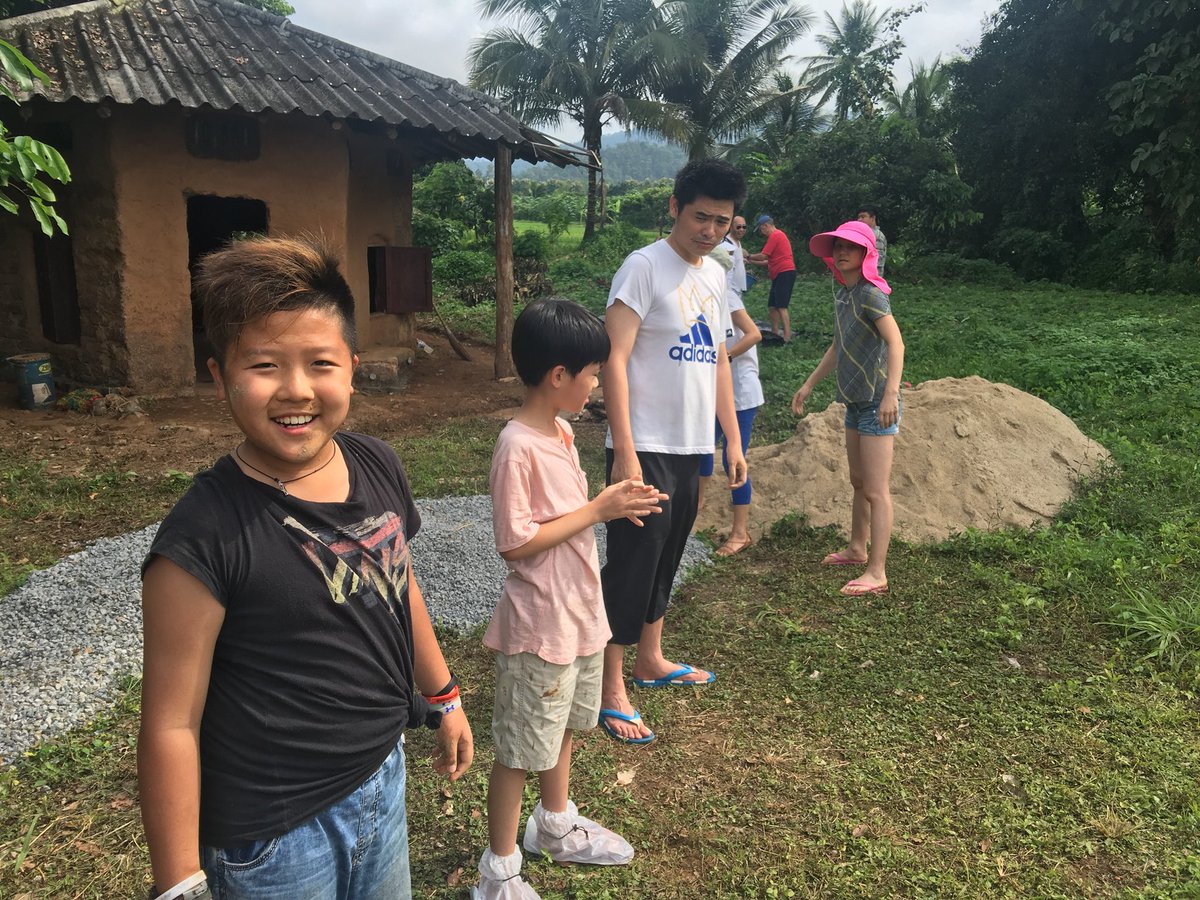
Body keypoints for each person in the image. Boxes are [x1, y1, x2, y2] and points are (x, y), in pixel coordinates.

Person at [138, 236, 473, 900]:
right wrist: (179, 883)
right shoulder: (204, 536)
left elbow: (397, 586)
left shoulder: (377, 464)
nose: (296, 390)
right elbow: (170, 724)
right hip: (272, 839)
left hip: (381, 778)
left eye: (319, 363)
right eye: (264, 365)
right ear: (218, 376)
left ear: (351, 366)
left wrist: (444, 695)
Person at [474, 298, 667, 898]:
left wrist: (615, 503)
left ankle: (554, 825)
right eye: (591, 375)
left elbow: (569, 519)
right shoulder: (518, 446)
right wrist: (598, 509)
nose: (597, 386)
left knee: (565, 728)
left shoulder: (558, 430)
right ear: (558, 376)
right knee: (517, 749)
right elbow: (516, 542)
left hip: (581, 615)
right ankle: (498, 869)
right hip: (540, 625)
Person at [600, 158, 748, 743]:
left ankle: (650, 658)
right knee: (633, 561)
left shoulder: (714, 277)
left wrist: (732, 439)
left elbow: (714, 359)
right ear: (674, 209)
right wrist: (624, 450)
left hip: (691, 445)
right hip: (646, 442)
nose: (709, 231)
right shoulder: (642, 268)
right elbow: (613, 357)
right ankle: (611, 686)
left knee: (669, 553)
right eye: (700, 217)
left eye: (722, 222)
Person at [791, 221, 905, 596]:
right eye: (838, 246)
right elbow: (839, 347)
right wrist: (809, 384)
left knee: (876, 489)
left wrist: (891, 393)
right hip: (854, 403)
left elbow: (897, 344)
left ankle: (878, 571)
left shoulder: (872, 295)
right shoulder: (843, 294)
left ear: (866, 255)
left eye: (851, 248)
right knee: (858, 482)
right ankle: (857, 548)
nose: (842, 252)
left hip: (876, 402)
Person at [698, 221, 764, 557]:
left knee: (732, 458)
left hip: (741, 393)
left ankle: (740, 532)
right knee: (701, 451)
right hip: (717, 391)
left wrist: (721, 357)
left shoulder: (728, 296)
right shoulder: (704, 294)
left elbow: (754, 334)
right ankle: (694, 514)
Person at [747, 214, 796, 342]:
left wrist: (749, 255)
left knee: (781, 305)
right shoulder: (776, 237)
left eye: (761, 229)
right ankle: (775, 333)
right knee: (772, 306)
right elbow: (767, 262)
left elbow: (763, 256)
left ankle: (787, 336)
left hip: (784, 272)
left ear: (766, 226)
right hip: (778, 274)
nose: (762, 232)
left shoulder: (776, 235)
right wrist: (749, 261)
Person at [856, 205, 888, 274]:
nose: (860, 220)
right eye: (859, 217)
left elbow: (877, 260)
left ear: (873, 218)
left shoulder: (877, 235)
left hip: (871, 279)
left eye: (863, 217)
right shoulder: (863, 234)